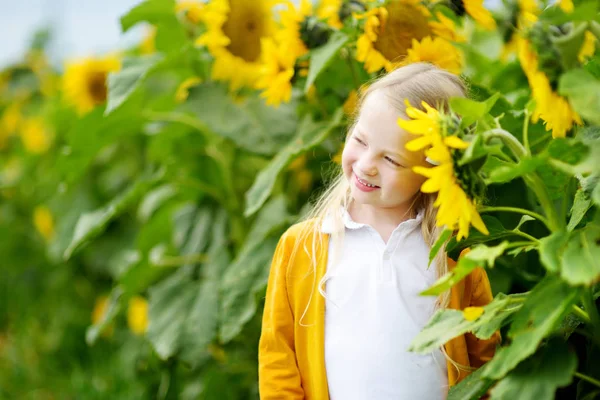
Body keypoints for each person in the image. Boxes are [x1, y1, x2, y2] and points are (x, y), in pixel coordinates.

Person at [258, 62, 501, 400]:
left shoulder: (455, 254)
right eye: (360, 139)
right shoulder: (303, 247)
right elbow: (279, 358)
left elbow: (484, 358)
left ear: (434, 171)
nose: (367, 163)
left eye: (392, 160)